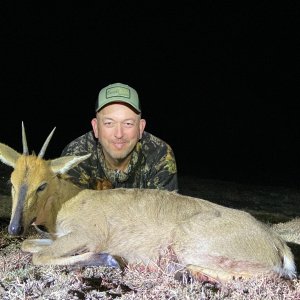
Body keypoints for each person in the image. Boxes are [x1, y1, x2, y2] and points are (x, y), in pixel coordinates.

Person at [61, 82, 178, 191]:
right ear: (96, 128)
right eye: (109, 123)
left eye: (128, 123)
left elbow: (160, 211)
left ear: (140, 128)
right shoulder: (75, 157)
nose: (119, 134)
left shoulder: (159, 154)